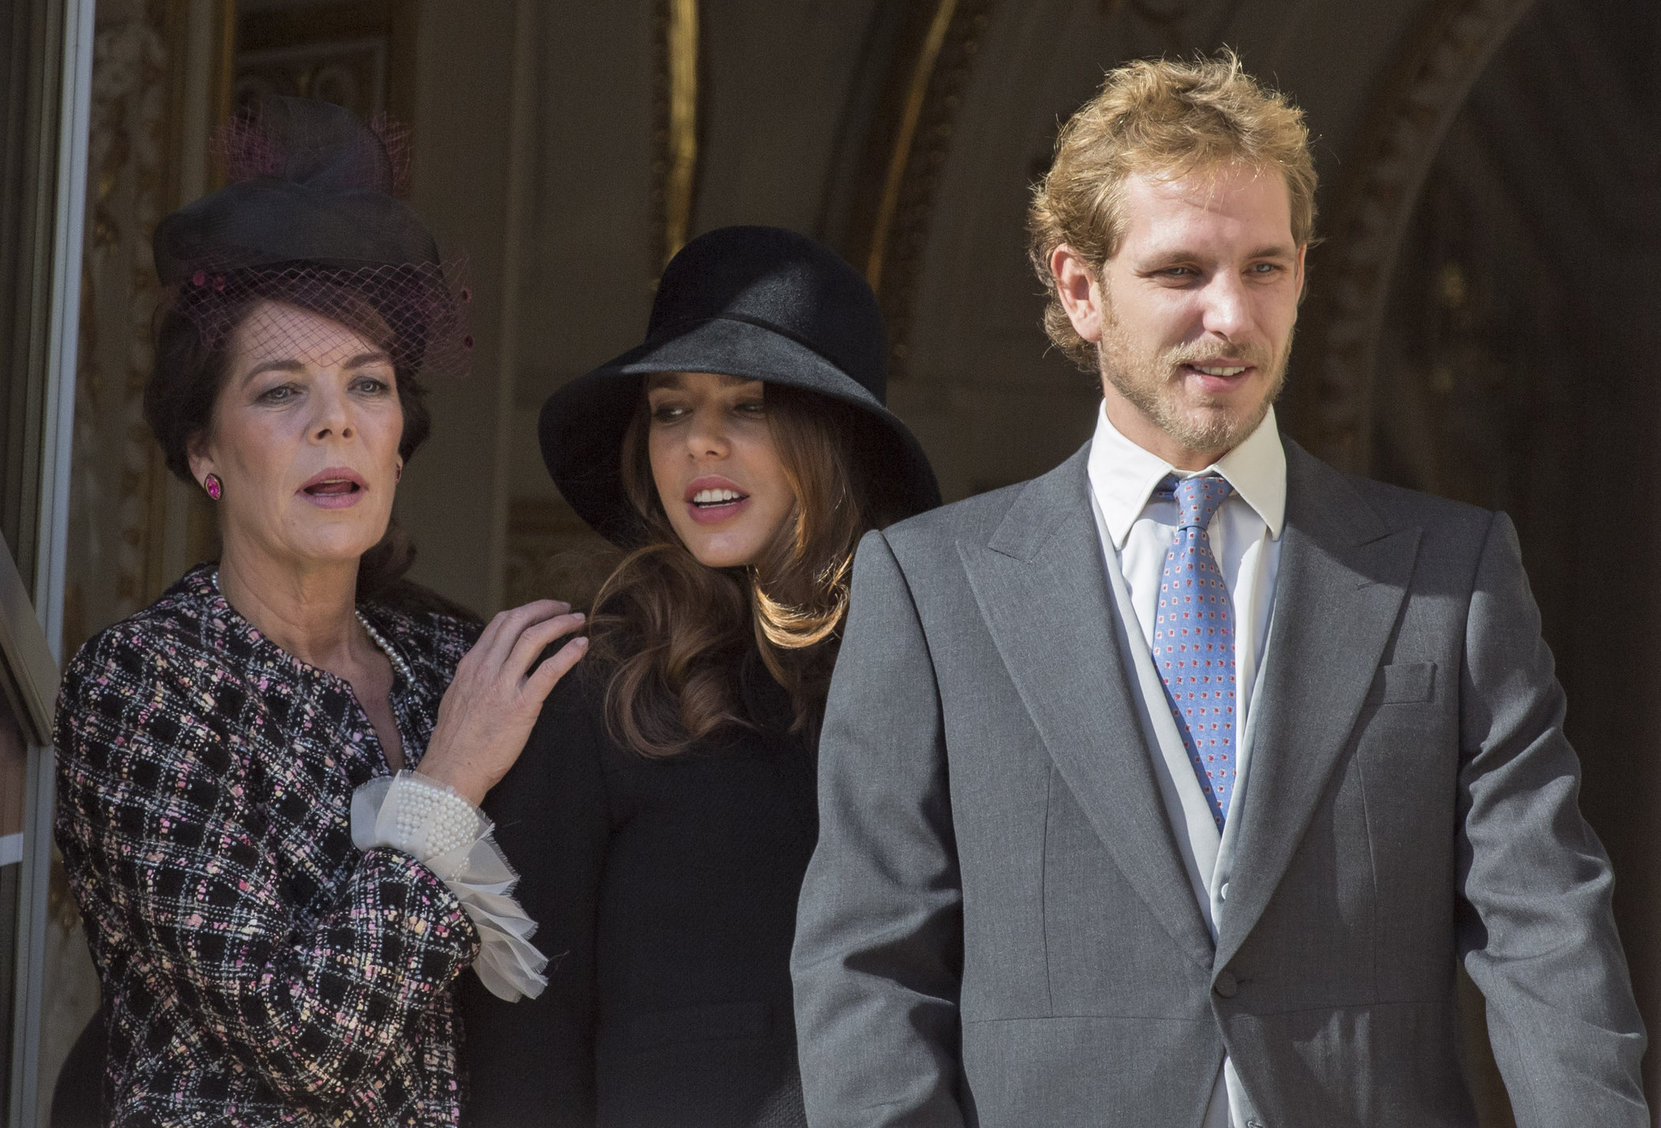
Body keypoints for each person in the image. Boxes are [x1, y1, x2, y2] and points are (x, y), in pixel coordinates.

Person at [789, 52, 1649, 1127]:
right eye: (1180, 272)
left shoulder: (1450, 573)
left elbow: (1546, 928)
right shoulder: (933, 590)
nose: (1231, 315)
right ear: (1078, 288)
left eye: (1264, 267)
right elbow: (868, 966)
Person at [53, 97, 587, 1125]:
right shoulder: (145, 686)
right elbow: (303, 1041)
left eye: (367, 386)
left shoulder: (453, 663)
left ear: (398, 444)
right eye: (279, 390)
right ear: (204, 453)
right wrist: (449, 779)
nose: (334, 421)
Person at [461, 225, 940, 1127]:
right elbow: (526, 1035)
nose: (698, 444)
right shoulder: (595, 686)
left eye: (747, 406)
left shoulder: (931, 675)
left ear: (830, 437)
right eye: (671, 410)